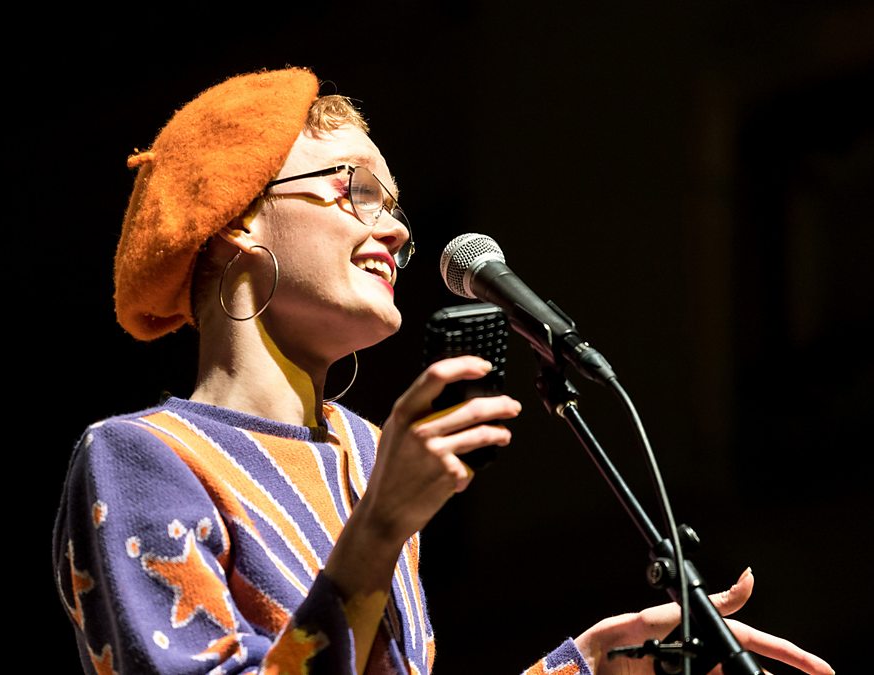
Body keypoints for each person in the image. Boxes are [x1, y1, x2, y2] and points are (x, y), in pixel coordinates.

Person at [51, 67, 834, 675]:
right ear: (236, 221)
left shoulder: (368, 457)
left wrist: (587, 664)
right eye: (354, 188)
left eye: (394, 205)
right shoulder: (142, 455)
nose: (395, 228)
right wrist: (377, 530)